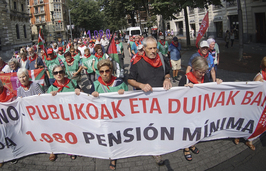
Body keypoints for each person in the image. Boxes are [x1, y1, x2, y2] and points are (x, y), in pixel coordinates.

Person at [127, 36, 171, 166]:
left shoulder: (162, 59)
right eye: (150, 48)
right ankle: (155, 150)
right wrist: (140, 85)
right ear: (144, 49)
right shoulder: (137, 63)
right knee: (150, 125)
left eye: (154, 48)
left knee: (161, 122)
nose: (153, 51)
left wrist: (167, 79)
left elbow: (167, 72)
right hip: (145, 102)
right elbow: (129, 79)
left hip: (161, 100)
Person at [179, 56, 222, 161]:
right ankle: (186, 147)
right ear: (193, 68)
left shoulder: (205, 78)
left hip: (199, 110)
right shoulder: (186, 78)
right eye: (200, 72)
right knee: (187, 128)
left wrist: (217, 84)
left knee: (196, 128)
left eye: (204, 72)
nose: (203, 74)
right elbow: (178, 97)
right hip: (187, 111)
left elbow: (208, 91)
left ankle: (192, 144)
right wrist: (184, 89)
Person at [90, 59, 128, 170]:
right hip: (104, 118)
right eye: (101, 72)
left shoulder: (120, 83)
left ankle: (114, 157)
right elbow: (89, 104)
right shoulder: (96, 84)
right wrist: (92, 95)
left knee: (115, 137)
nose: (105, 74)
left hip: (117, 117)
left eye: (107, 71)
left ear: (111, 71)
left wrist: (124, 94)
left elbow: (128, 103)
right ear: (98, 72)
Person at [45, 65, 80, 162]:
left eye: (60, 72)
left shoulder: (72, 83)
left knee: (71, 132)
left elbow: (82, 97)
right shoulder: (51, 88)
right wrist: (50, 96)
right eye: (56, 73)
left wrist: (79, 91)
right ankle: (58, 149)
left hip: (71, 114)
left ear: (64, 73)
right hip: (59, 116)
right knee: (61, 133)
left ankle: (72, 150)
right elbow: (46, 103)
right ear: (53, 75)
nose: (58, 74)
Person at [0, 77, 17, 167]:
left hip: (9, 122)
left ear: (1, 87)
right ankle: (1, 157)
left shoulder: (10, 95)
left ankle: (13, 155)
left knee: (11, 138)